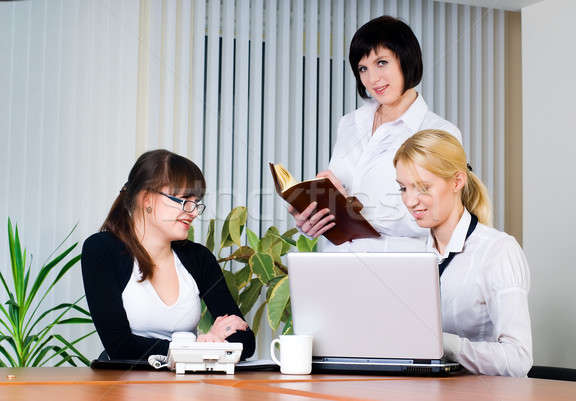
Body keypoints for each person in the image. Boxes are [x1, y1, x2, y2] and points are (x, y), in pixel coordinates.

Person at [289, 15, 461, 252]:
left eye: (381, 63)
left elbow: (438, 215)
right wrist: (312, 217)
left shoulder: (439, 132)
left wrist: (353, 210)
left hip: (397, 269)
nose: (372, 79)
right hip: (336, 263)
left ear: (406, 60)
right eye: (363, 68)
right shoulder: (349, 124)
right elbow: (340, 198)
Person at [81, 149, 255, 361]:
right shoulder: (101, 250)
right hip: (125, 387)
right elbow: (120, 346)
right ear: (147, 199)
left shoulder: (198, 258)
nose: (193, 211)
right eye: (183, 200)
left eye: (196, 202)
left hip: (187, 388)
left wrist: (199, 347)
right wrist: (199, 345)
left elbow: (245, 339)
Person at [393, 130, 532, 377]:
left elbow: (519, 359)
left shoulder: (498, 252)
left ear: (457, 182)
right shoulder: (410, 254)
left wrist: (444, 343)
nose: (410, 201)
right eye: (403, 188)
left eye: (423, 187)